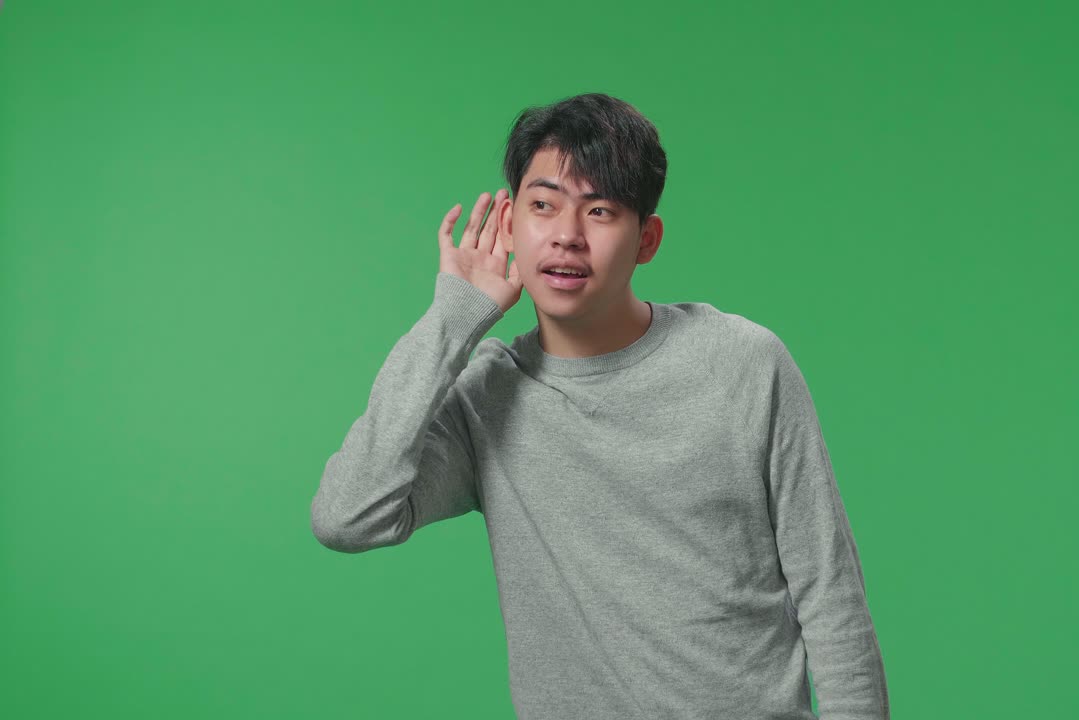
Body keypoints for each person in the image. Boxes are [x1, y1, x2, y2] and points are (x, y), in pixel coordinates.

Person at [311, 92, 890, 719]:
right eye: (542, 206)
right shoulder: (489, 400)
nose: (566, 235)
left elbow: (831, 596)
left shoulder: (744, 362)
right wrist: (453, 320)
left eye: (601, 210)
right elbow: (348, 516)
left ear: (647, 239)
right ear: (509, 222)